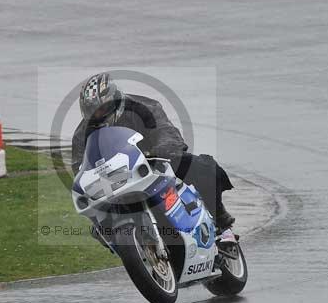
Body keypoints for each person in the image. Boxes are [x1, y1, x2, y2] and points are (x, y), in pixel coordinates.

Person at [71, 72, 237, 245]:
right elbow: (79, 167)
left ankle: (222, 225)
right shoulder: (81, 134)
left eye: (102, 109)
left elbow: (164, 130)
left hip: (155, 163)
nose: (98, 115)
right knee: (98, 225)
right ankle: (130, 248)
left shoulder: (143, 107)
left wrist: (163, 150)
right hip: (116, 181)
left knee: (204, 167)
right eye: (92, 112)